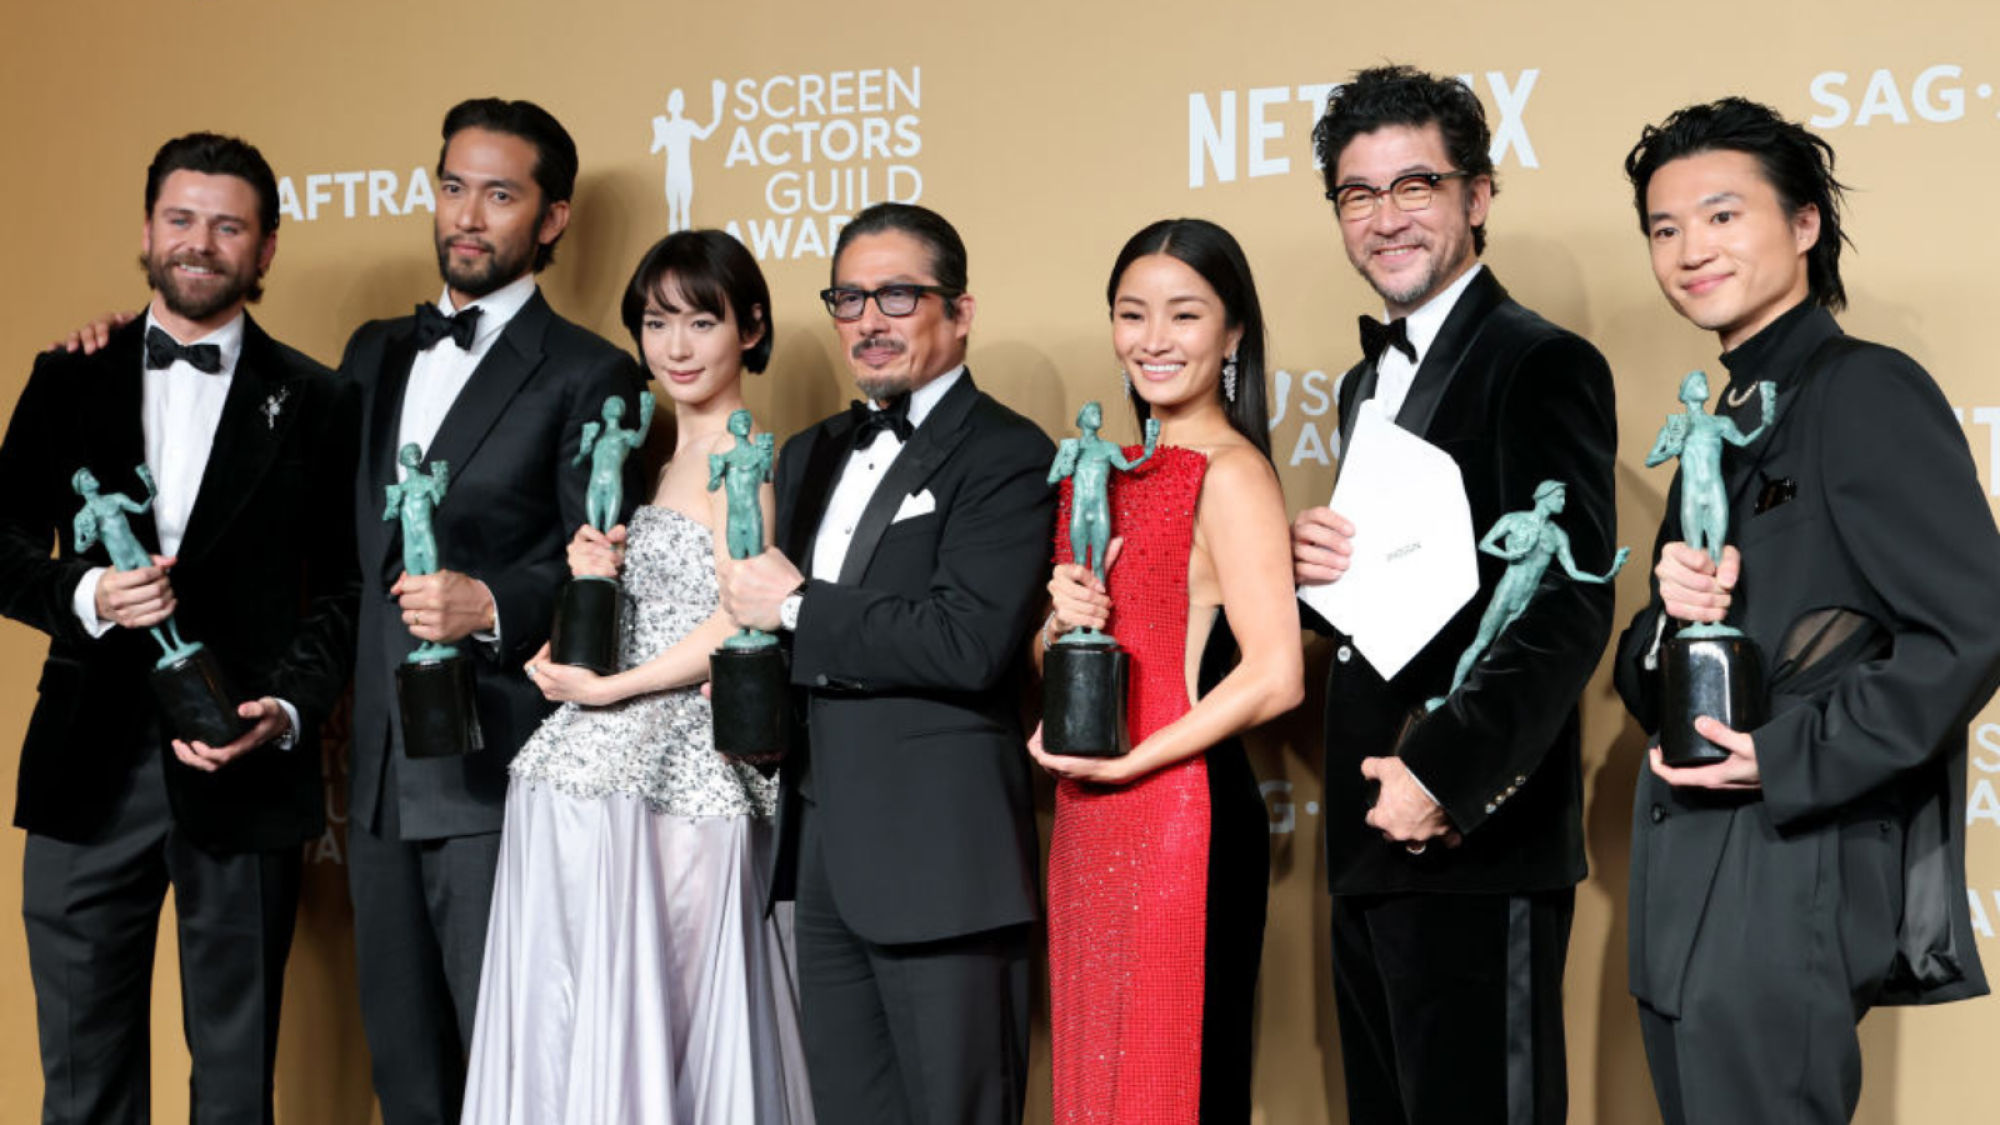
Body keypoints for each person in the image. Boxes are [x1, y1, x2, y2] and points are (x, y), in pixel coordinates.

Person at [1613, 97, 2000, 1125]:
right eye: (1663, 228)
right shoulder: (1721, 416)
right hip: (1681, 887)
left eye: (1721, 215)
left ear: (1802, 225)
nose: (1688, 248)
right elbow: (1646, 674)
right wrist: (1661, 619)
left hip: (1785, 869)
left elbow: (1965, 632)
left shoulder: (1862, 391)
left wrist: (1784, 757)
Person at [0, 132, 358, 1124]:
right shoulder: (69, 374)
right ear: (148, 231)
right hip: (85, 772)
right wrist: (86, 595)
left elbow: (344, 589)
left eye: (228, 225)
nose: (201, 243)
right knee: (80, 1080)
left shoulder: (324, 401)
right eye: (181, 219)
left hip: (245, 771)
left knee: (236, 1084)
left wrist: (285, 710)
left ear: (267, 248)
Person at [1289, 65, 1619, 1125]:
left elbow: (1563, 606)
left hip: (1473, 837)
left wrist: (1442, 771)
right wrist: (1318, 578)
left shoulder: (1541, 363)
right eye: (1357, 193)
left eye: (1413, 185)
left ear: (1477, 196)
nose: (1385, 219)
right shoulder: (1364, 382)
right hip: (1365, 838)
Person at [337, 98, 646, 1125]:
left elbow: (602, 566)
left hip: (492, 769)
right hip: (373, 773)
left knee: (511, 1075)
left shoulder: (588, 371)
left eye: (501, 195)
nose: (468, 216)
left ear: (550, 220)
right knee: (404, 1072)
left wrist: (491, 606)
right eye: (453, 186)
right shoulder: (372, 351)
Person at [460, 230, 813, 1124]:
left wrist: (616, 689)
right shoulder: (660, 459)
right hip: (615, 745)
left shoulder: (747, 460)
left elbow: (741, 614)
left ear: (752, 330)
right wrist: (585, 605)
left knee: (673, 1005)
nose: (679, 347)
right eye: (659, 322)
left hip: (682, 764)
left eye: (704, 320)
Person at [720, 202, 1055, 1125]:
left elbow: (969, 639)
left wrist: (794, 606)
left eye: (899, 295)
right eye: (850, 298)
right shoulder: (809, 451)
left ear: (960, 310)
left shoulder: (1008, 451)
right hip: (823, 850)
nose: (870, 319)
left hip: (941, 862)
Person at [1032, 218, 1303, 1123]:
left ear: (1232, 336)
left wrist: (1135, 761)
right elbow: (1068, 655)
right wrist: (1059, 621)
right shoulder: (1100, 473)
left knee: (1174, 1086)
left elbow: (1275, 673)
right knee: (1095, 1081)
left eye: (1184, 315)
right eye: (1131, 313)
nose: (1154, 339)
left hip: (1179, 809)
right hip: (1090, 814)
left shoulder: (1231, 473)